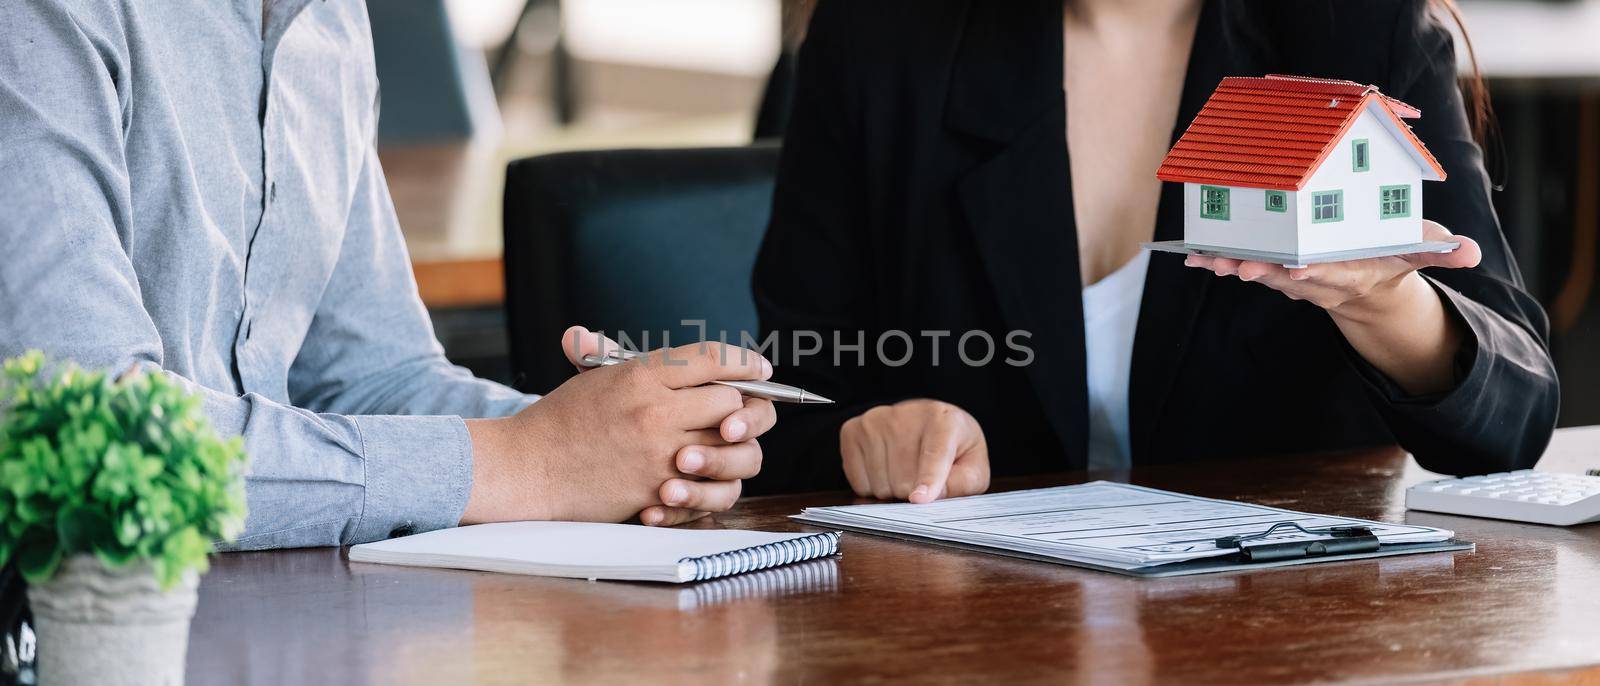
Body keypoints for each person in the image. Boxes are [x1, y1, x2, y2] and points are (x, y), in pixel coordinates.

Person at [0, 1, 774, 548]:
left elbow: (368, 377)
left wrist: (623, 441)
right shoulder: (42, 17)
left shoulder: (329, 22)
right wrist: (527, 462)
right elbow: (84, 431)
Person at [748, 0, 1559, 501]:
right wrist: (866, 434)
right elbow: (793, 394)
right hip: (976, 630)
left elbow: (1508, 427)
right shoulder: (876, 39)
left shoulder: (1360, 28)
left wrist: (1383, 303)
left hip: (1288, 629)